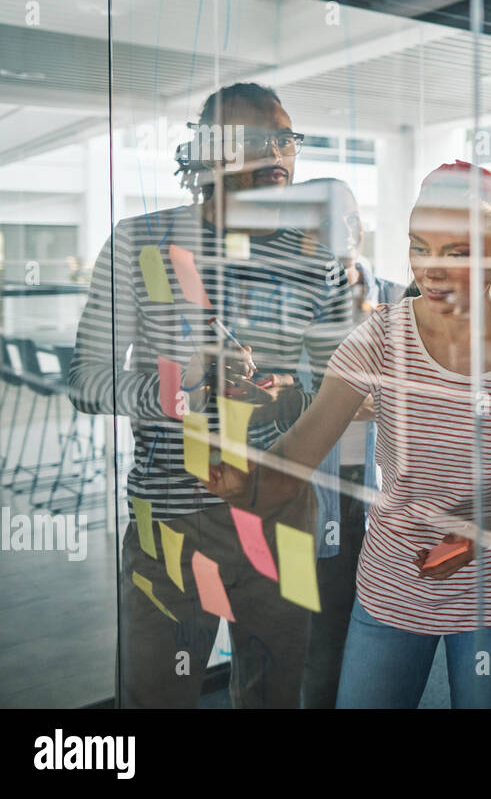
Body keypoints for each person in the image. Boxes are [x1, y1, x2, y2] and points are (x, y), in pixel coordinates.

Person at [204, 160, 491, 709]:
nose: (430, 269)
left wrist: (477, 531)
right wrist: (249, 486)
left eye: (456, 252)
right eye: (419, 246)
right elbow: (303, 450)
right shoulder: (380, 336)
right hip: (391, 585)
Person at [68, 82, 352, 708]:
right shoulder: (137, 244)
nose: (277, 152)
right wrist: (178, 386)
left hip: (283, 519)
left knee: (276, 697)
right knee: (153, 699)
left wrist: (286, 392)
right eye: (255, 140)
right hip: (169, 520)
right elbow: (84, 382)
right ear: (207, 154)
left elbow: (340, 389)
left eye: (285, 137)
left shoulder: (317, 259)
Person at [296, 177, 405, 709]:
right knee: (316, 646)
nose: (340, 231)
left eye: (349, 218)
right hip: (311, 504)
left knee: (384, 641)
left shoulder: (398, 301)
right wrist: (327, 401)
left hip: (383, 501)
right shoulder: (286, 314)